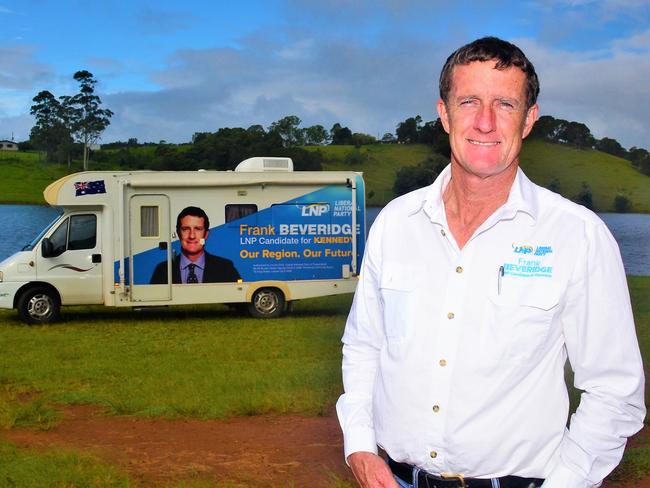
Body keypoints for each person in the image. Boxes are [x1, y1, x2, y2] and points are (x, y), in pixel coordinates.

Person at [336, 37, 645, 488]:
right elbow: (365, 346)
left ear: (529, 119)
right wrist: (360, 447)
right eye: (469, 101)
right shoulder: (397, 222)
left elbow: (615, 391)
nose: (484, 122)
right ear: (444, 113)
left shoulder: (576, 235)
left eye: (504, 103)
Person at [150, 206, 240, 284]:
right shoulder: (162, 270)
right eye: (185, 229)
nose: (192, 236)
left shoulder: (225, 267)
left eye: (198, 229)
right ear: (178, 234)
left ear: (206, 234)